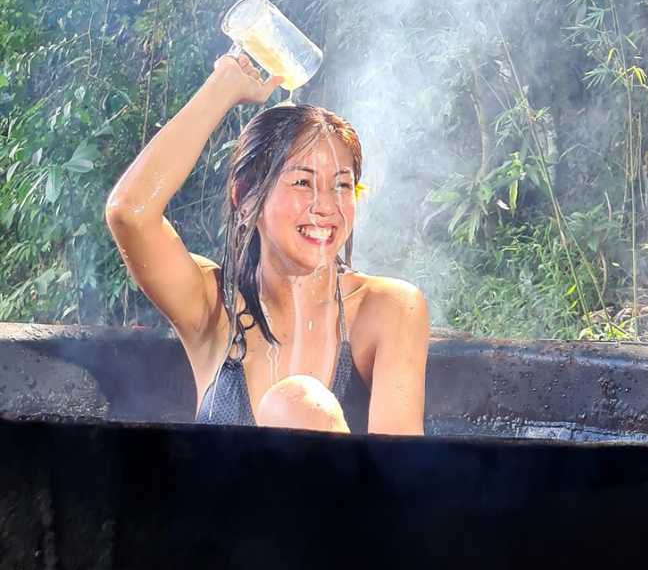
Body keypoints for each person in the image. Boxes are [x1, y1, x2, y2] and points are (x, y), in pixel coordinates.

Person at [105, 51, 428, 434]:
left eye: (341, 185)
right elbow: (130, 212)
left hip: (342, 494)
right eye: (302, 182)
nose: (325, 206)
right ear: (245, 198)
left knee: (298, 404)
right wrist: (223, 87)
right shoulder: (211, 305)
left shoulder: (387, 309)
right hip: (217, 493)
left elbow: (397, 475)